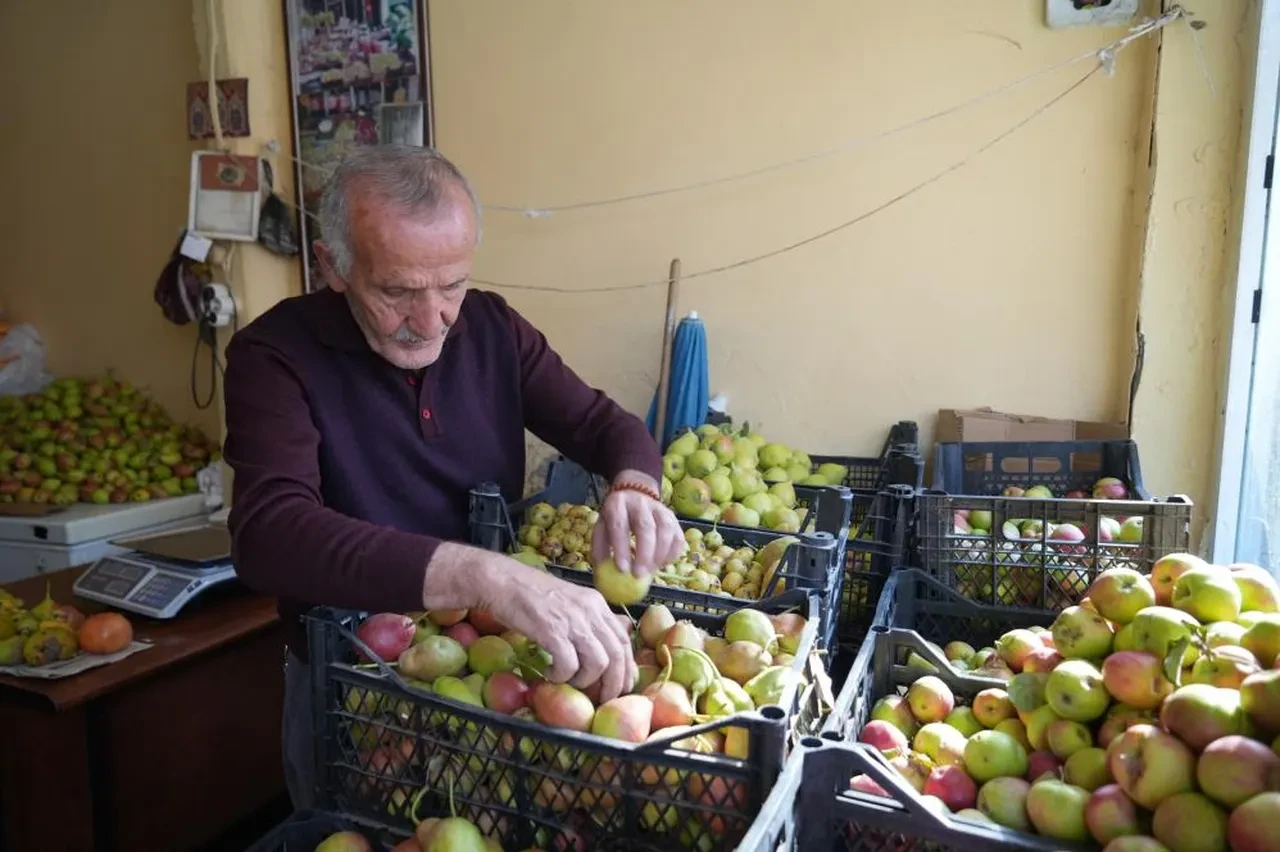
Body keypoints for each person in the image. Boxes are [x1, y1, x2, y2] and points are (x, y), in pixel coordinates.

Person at [221, 144, 685, 809]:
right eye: (398, 291)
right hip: (353, 679)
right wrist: (485, 575)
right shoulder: (273, 357)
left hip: (486, 668)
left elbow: (606, 426)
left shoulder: (493, 329)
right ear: (333, 267)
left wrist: (635, 485)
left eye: (453, 285)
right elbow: (269, 535)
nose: (434, 317)